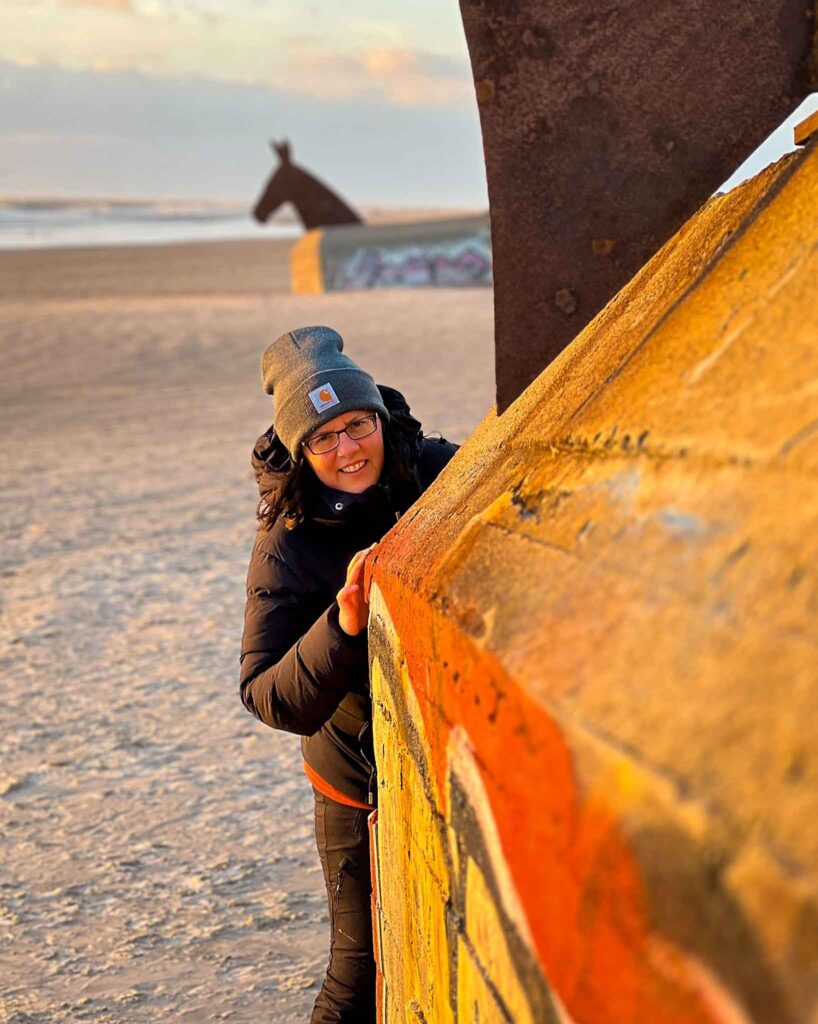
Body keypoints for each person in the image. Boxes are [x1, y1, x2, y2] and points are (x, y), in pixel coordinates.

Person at [239, 325, 457, 1023]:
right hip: (354, 780)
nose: (349, 449)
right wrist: (342, 624)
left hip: (445, 758)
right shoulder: (289, 540)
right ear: (300, 451)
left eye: (359, 424)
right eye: (324, 438)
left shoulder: (434, 469)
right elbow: (266, 694)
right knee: (358, 975)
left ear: (381, 418)